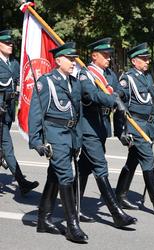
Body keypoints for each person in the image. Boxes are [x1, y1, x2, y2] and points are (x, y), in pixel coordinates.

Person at [28, 42, 88, 243]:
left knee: (54, 174)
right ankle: (72, 226)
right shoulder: (47, 82)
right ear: (58, 60)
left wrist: (78, 139)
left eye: (74, 59)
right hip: (54, 136)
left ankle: (43, 220)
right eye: (70, 59)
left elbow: (77, 113)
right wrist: (36, 141)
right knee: (66, 176)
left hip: (70, 136)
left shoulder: (74, 82)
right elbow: (36, 113)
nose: (73, 62)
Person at [77, 37, 137, 227]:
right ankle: (117, 214)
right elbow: (90, 94)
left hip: (102, 126)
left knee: (84, 168)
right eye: (105, 55)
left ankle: (74, 206)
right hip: (88, 128)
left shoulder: (109, 74)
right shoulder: (86, 74)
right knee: (101, 167)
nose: (109, 58)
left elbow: (120, 90)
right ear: (94, 56)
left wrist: (115, 95)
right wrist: (112, 99)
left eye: (109, 55)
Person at [114, 42, 154, 215]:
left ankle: (120, 195)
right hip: (136, 126)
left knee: (133, 160)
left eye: (148, 58)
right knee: (148, 159)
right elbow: (119, 103)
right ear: (134, 61)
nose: (147, 61)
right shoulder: (127, 79)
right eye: (144, 58)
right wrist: (121, 131)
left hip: (148, 125)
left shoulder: (146, 77)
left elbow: (151, 103)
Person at [0, 29, 39, 195]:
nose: (11, 45)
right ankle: (21, 182)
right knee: (7, 146)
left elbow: (19, 85)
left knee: (2, 145)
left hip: (8, 111)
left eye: (11, 43)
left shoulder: (15, 63)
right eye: (7, 43)